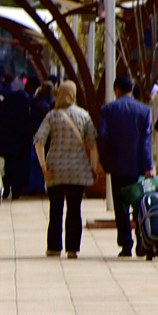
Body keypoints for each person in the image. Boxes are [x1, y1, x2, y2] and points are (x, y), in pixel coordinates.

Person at [34, 80, 99, 257]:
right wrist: (93, 167)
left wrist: (43, 166)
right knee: (74, 209)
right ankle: (72, 249)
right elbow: (93, 145)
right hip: (78, 170)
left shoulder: (51, 116)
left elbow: (39, 141)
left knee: (55, 209)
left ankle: (54, 247)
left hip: (55, 169)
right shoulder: (83, 115)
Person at [97, 73, 153, 258]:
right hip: (137, 167)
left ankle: (126, 245)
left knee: (121, 208)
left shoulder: (108, 110)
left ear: (116, 90)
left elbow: (102, 138)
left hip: (117, 165)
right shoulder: (144, 111)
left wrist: (105, 163)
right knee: (139, 206)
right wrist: (148, 166)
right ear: (132, 89)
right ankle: (142, 243)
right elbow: (146, 142)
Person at [0, 77, 33, 199]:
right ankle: (16, 190)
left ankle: (5, 189)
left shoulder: (3, 108)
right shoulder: (23, 110)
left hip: (6, 144)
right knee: (18, 167)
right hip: (20, 144)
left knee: (7, 166)